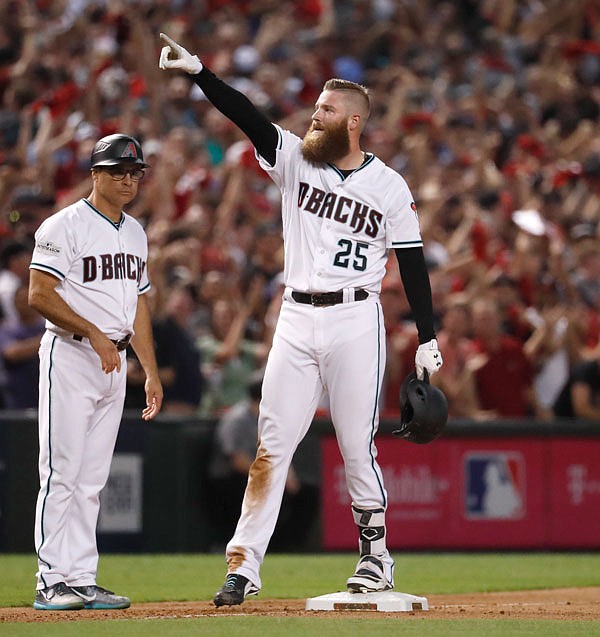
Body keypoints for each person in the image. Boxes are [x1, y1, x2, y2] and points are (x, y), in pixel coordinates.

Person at [159, 33, 443, 606]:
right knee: (272, 445)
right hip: (295, 317)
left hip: (356, 319)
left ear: (354, 123)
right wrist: (201, 74)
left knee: (357, 445)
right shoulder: (295, 159)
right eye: (315, 107)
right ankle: (243, 566)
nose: (316, 115)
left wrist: (428, 337)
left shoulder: (389, 186)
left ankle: (375, 558)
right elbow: (249, 117)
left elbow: (412, 262)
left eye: (328, 110)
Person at [28, 133, 163, 611]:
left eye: (134, 173)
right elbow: (39, 295)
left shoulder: (136, 231)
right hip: (70, 354)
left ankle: (81, 577)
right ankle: (51, 580)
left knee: (91, 478)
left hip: (115, 359)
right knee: (61, 471)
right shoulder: (63, 225)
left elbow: (139, 304)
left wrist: (149, 368)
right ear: (95, 174)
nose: (128, 180)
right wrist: (94, 333)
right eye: (118, 171)